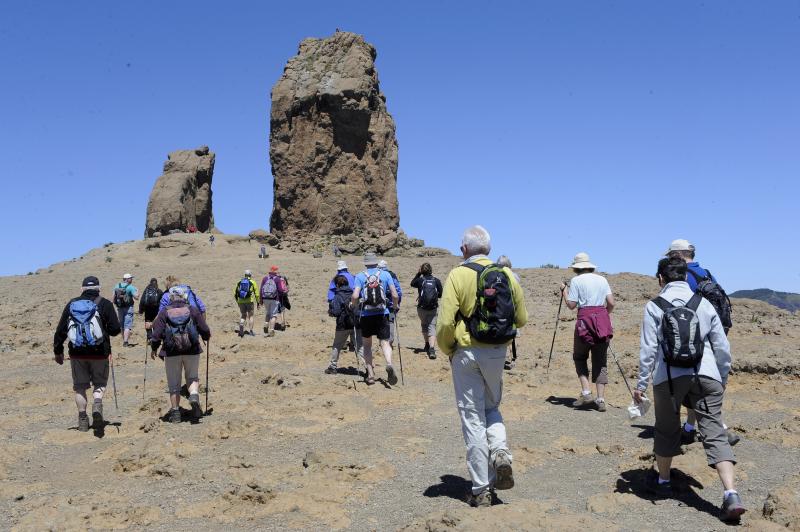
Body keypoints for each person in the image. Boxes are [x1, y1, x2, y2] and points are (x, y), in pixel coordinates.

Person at [633, 257, 745, 522]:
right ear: (686, 277)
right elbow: (722, 347)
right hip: (706, 374)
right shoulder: (703, 304)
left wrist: (640, 385)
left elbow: (648, 350)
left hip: (668, 378)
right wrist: (721, 378)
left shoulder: (654, 306)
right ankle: (731, 494)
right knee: (715, 432)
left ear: (660, 278)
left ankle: (662, 482)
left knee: (665, 429)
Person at [436, 226, 528, 507]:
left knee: (472, 419)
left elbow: (444, 323)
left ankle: (481, 489)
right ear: (488, 248)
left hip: (465, 352)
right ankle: (500, 451)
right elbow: (521, 319)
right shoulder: (508, 276)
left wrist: (448, 348)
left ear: (464, 249)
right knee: (492, 407)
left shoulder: (458, 274)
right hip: (497, 353)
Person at [665, 239, 739, 446]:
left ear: (678, 255)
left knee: (693, 382)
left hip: (693, 337)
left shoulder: (683, 276)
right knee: (698, 383)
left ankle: (721, 429)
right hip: (716, 333)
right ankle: (689, 428)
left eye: (671, 255)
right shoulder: (706, 273)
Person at [53, 276, 121, 432]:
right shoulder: (105, 304)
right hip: (100, 353)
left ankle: (83, 419)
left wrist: (58, 351)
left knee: (80, 387)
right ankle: (97, 403)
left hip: (77, 353)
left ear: (82, 289)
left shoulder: (72, 304)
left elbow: (61, 330)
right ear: (99, 289)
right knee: (100, 384)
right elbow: (115, 330)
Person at [559, 252, 615, 412]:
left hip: (584, 321)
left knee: (580, 356)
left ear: (576, 268)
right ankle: (601, 399)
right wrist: (604, 316)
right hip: (602, 322)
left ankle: (586, 392)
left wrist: (564, 290)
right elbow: (611, 303)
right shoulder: (602, 279)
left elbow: (571, 305)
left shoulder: (576, 281)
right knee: (600, 361)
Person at [150, 286, 211, 423]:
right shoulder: (192, 310)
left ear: (170, 298)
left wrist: (154, 348)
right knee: (192, 377)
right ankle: (194, 396)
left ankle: (176, 413)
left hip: (171, 351)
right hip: (192, 349)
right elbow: (204, 329)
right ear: (184, 296)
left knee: (174, 384)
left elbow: (156, 334)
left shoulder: (164, 312)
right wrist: (206, 337)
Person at [351, 253, 400, 385]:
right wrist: (395, 307)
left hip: (366, 315)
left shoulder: (360, 276)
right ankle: (389, 363)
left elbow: (355, 296)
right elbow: (394, 294)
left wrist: (353, 305)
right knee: (385, 342)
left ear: (365, 263)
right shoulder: (385, 275)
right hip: (382, 314)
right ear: (376, 262)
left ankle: (371, 374)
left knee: (367, 345)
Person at [325, 275, 364, 374]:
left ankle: (332, 367)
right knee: (360, 346)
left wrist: (331, 311)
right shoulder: (354, 293)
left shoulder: (338, 296)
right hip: (356, 324)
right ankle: (368, 369)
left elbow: (336, 312)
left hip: (343, 324)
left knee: (337, 346)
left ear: (337, 285)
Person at [410, 262, 442, 359]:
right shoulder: (436, 281)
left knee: (424, 324)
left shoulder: (420, 280)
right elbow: (440, 294)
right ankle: (432, 349)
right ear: (431, 270)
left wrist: (418, 274)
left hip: (422, 308)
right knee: (432, 326)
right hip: (433, 307)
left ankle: (427, 344)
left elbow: (412, 284)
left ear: (422, 271)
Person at [496, 256, 520, 370]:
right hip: (512, 308)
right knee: (512, 334)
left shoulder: (495, 275)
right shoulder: (515, 276)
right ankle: (513, 358)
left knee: (501, 333)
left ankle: (502, 359)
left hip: (500, 308)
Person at [378, 259, 402, 346]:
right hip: (392, 304)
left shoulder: (377, 275)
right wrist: (398, 303)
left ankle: (383, 340)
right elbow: (398, 291)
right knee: (391, 321)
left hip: (380, 304)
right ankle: (390, 341)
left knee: (381, 321)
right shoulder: (392, 275)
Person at [112, 273, 138, 347]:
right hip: (128, 308)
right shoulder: (131, 287)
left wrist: (116, 304)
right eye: (130, 278)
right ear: (127, 279)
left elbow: (113, 299)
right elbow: (136, 297)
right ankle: (125, 342)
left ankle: (124, 339)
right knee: (127, 325)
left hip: (119, 308)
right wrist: (137, 291)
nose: (131, 279)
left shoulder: (117, 286)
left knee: (122, 325)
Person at [260, 265, 286, 337]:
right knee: (273, 315)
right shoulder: (277, 279)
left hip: (265, 298)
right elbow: (280, 290)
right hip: (274, 299)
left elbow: (261, 289)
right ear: (276, 271)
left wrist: (261, 300)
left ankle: (266, 324)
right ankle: (271, 330)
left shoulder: (265, 278)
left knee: (268, 312)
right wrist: (283, 292)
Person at [234, 270, 260, 337]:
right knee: (250, 316)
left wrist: (238, 301)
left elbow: (235, 293)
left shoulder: (239, 282)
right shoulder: (253, 282)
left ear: (245, 275)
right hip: (249, 301)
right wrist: (258, 302)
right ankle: (251, 331)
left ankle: (241, 326)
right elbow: (257, 294)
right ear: (250, 275)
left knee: (243, 315)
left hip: (240, 301)